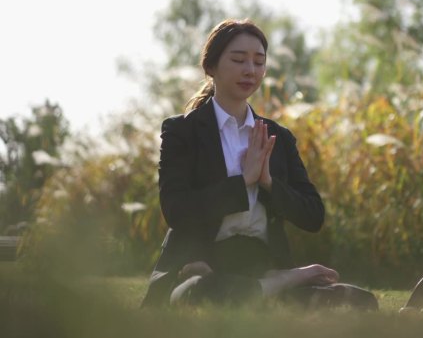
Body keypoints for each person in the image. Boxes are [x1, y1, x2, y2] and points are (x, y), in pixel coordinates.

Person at [140, 18, 377, 310]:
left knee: (359, 301)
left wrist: (267, 182)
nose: (250, 70)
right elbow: (177, 211)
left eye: (258, 61)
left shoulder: (279, 137)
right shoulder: (182, 131)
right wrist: (243, 182)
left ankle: (270, 285)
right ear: (210, 67)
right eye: (238, 60)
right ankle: (282, 283)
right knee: (201, 289)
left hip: (261, 263)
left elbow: (313, 215)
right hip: (201, 265)